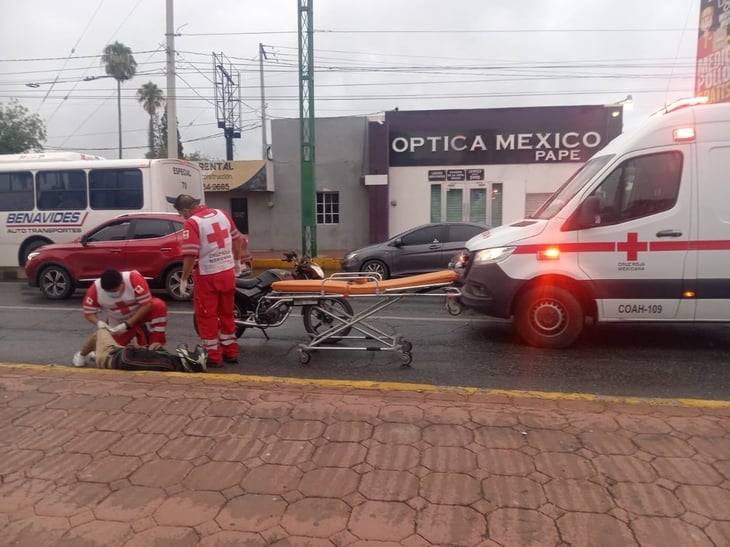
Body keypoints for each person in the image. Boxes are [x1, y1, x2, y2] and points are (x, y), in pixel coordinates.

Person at [173, 194, 244, 367]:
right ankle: (231, 352)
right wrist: (237, 262)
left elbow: (190, 254)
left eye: (181, 214)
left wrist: (183, 279)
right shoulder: (223, 214)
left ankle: (213, 356)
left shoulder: (192, 223)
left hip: (208, 276)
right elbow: (237, 239)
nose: (183, 217)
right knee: (227, 314)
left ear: (184, 210)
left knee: (207, 317)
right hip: (227, 272)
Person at [72, 268, 168, 367]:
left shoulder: (133, 279)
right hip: (118, 322)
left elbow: (146, 305)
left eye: (115, 291)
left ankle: (155, 345)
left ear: (122, 283)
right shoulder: (95, 289)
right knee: (113, 350)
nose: (113, 294)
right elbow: (88, 312)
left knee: (158, 306)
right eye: (109, 292)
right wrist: (98, 322)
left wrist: (128, 324)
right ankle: (86, 353)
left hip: (140, 313)